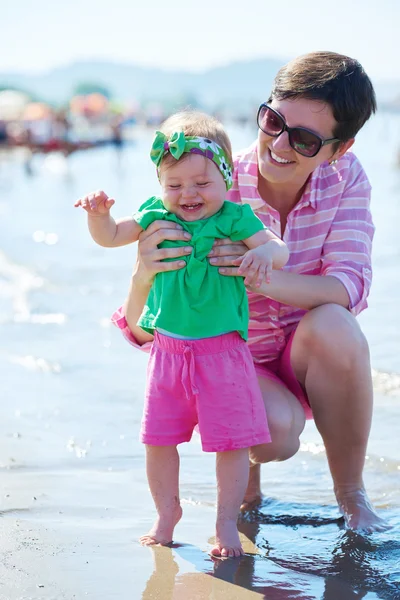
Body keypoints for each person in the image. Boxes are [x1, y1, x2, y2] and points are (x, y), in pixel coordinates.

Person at [112, 51, 391, 534]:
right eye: (273, 121)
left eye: (304, 139)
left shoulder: (347, 178)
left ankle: (351, 494)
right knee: (276, 433)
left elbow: (348, 285)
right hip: (228, 356)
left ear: (338, 150)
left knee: (337, 325)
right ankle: (246, 487)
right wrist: (141, 275)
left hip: (305, 351)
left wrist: (259, 274)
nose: (279, 144)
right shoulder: (209, 178)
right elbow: (149, 326)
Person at [75, 110, 289, 557]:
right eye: (175, 185)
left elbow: (279, 247)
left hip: (223, 354)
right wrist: (99, 215)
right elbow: (112, 236)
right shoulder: (154, 215)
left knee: (230, 443)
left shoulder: (234, 218)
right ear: (160, 186)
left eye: (201, 183)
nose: (187, 193)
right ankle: (166, 512)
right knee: (159, 439)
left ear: (227, 178)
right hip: (168, 353)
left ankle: (225, 523)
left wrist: (263, 255)